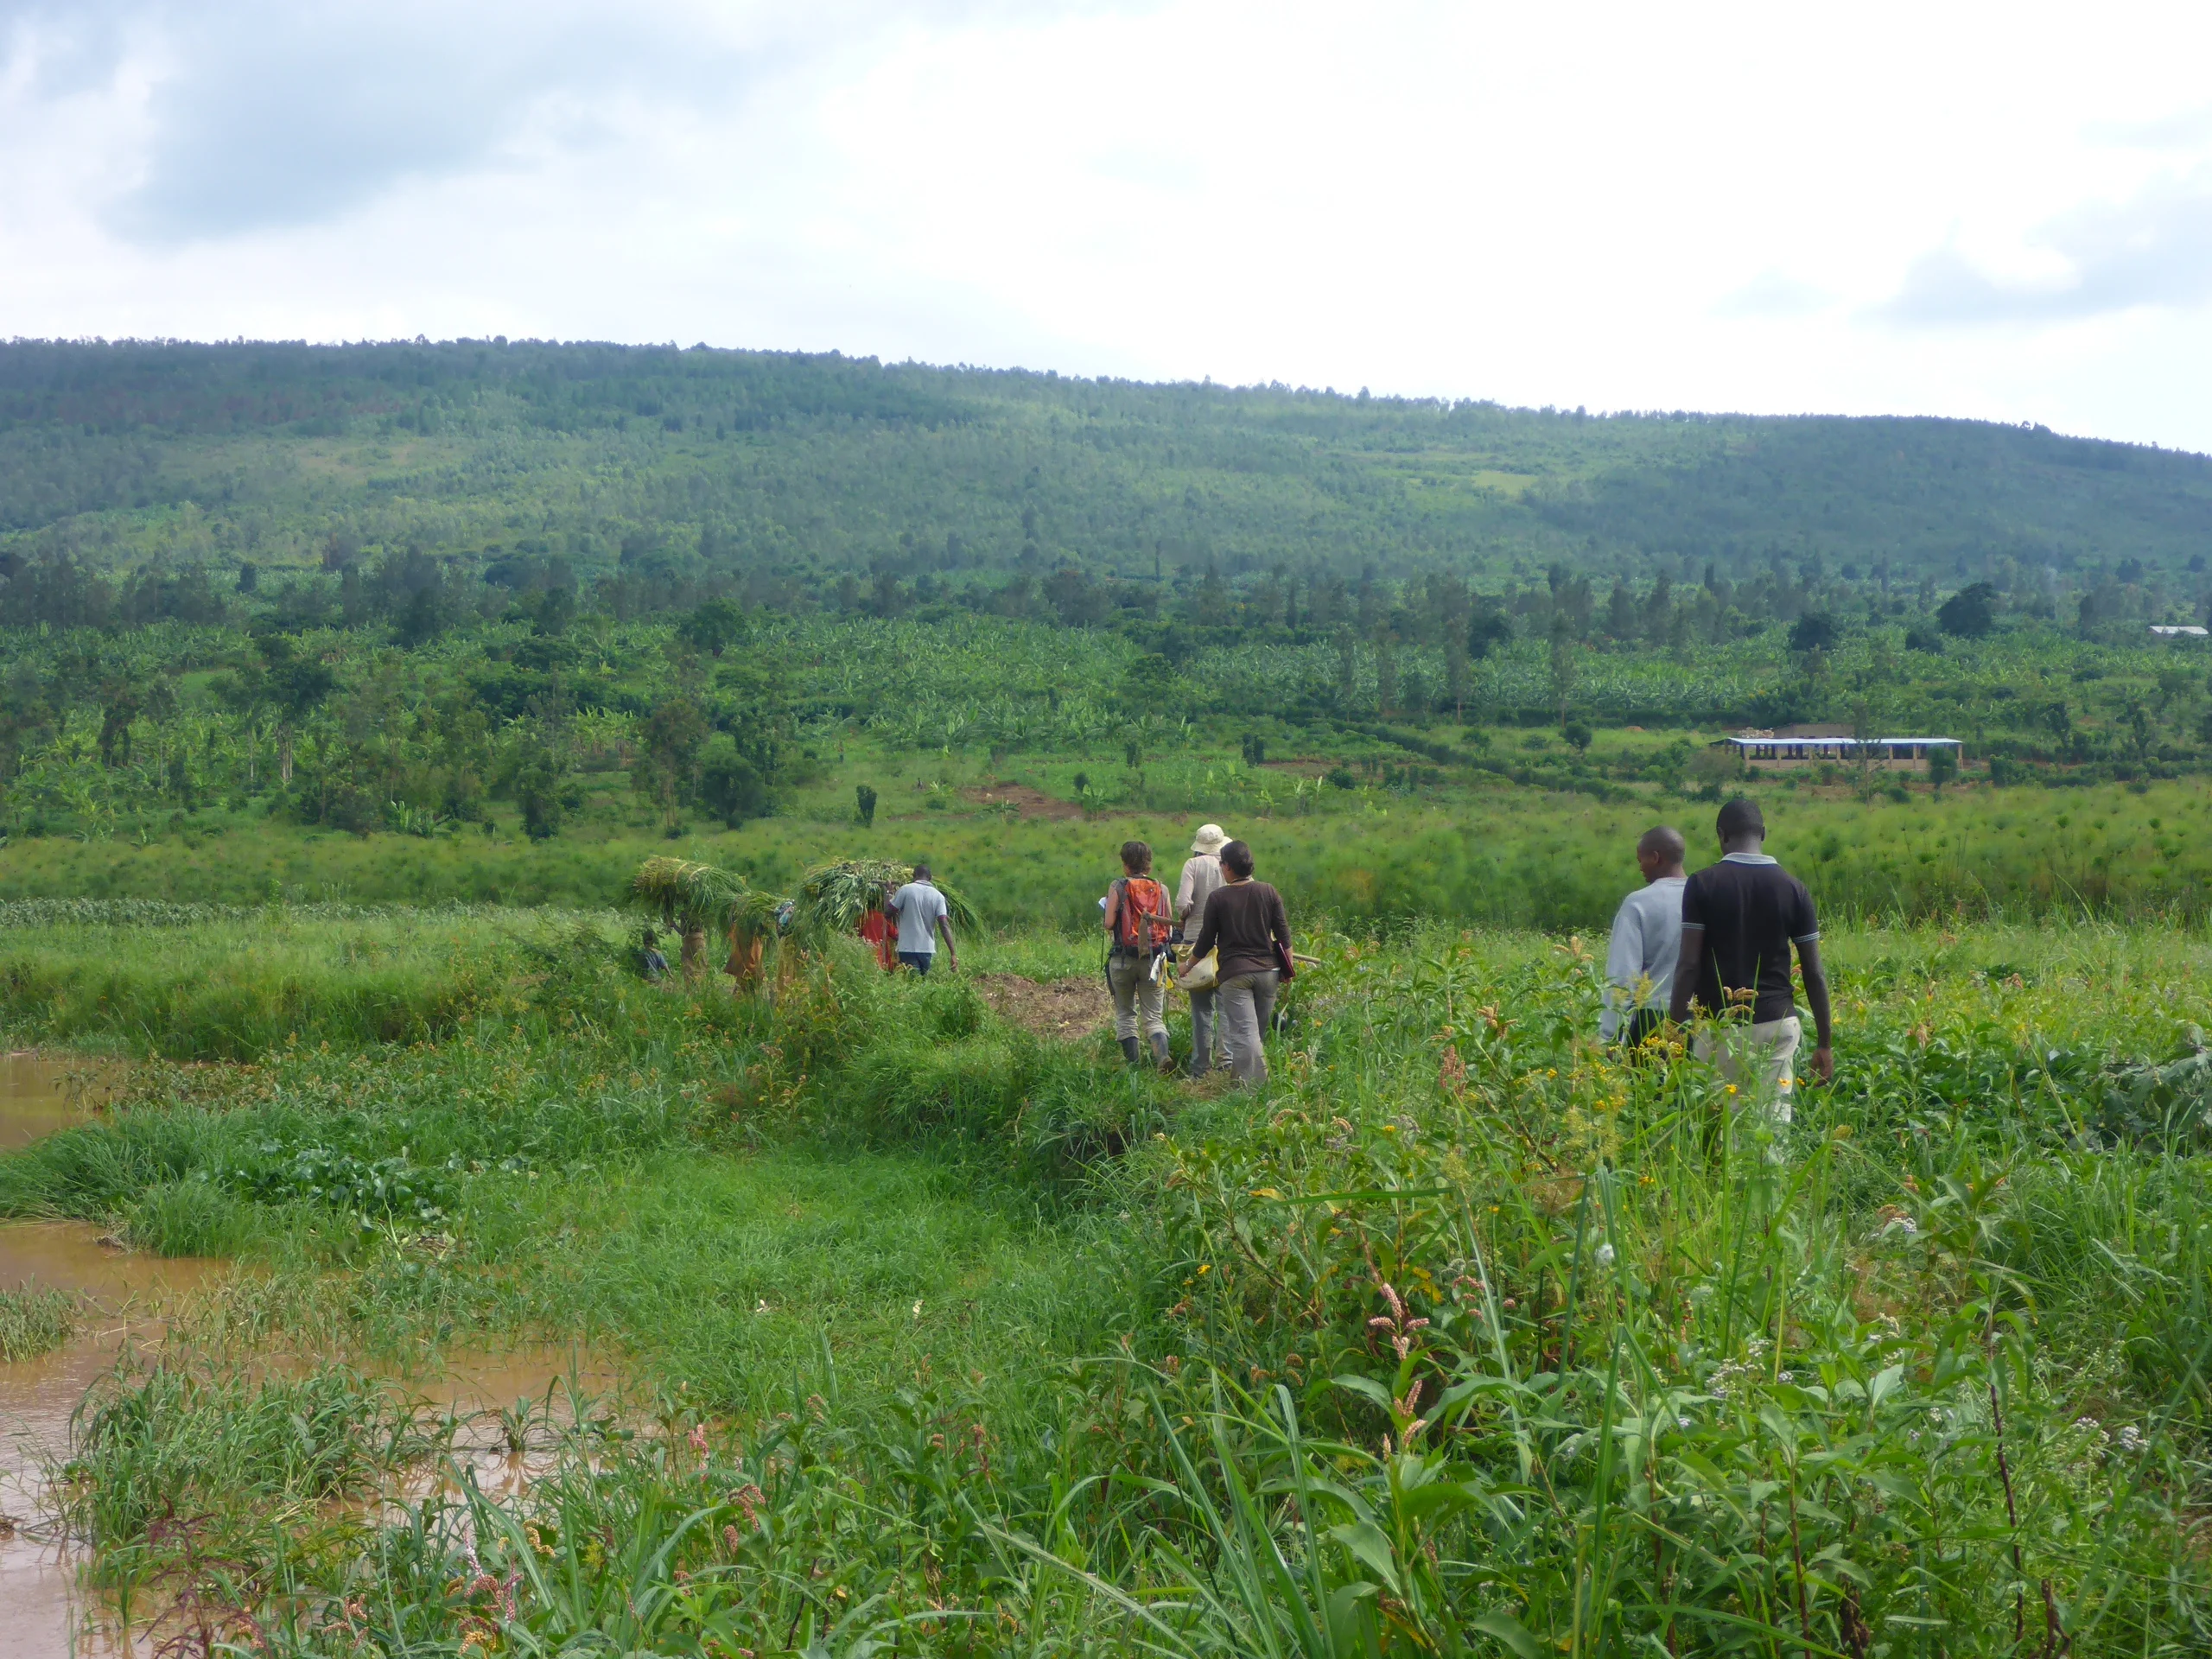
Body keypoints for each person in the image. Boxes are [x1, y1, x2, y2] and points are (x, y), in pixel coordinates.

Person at [1665, 798, 1834, 1126]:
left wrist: (1673, 1028)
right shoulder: (1795, 889)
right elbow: (1814, 972)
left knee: (1717, 1122)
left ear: (1721, 835)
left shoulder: (1702, 884)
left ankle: (1720, 1179)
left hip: (1718, 1025)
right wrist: (1825, 1044)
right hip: (1777, 1022)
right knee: (1771, 1122)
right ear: (1764, 834)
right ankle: (1771, 1176)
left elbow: (1688, 965)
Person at [1186, 838, 1292, 1086]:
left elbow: (1204, 942)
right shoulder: (1268, 891)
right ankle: (1238, 1083)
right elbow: (1285, 937)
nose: (1221, 868)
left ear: (1229, 867)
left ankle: (1256, 1089)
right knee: (1254, 1036)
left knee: (1245, 1035)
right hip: (1269, 973)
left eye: (1222, 864)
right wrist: (1288, 969)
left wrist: (1187, 966)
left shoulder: (1218, 898)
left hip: (1236, 976)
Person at [1600, 826, 1688, 1047]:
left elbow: (1623, 975)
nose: (1640, 868)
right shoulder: (1706, 895)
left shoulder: (1638, 903)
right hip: (1701, 1019)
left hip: (1653, 1019)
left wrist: (1609, 1035)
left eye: (1641, 860)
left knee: (1648, 1081)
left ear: (1656, 858)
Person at [1104, 840, 1175, 1070]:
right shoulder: (1161, 888)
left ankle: (1134, 1068)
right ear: (1149, 864)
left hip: (1123, 960)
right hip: (1153, 961)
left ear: (1125, 865)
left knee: (1125, 1015)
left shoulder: (1118, 886)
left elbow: (1108, 923)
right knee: (1154, 1016)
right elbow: (1170, 928)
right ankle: (1162, 1057)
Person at [1174, 823, 1231, 1076]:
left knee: (1201, 1008)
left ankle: (1200, 1067)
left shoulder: (1192, 865)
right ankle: (1226, 1062)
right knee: (1226, 1005)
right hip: (1226, 944)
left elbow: (1183, 903)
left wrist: (1188, 914)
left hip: (1196, 943)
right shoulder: (1229, 866)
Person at [887, 861, 957, 976]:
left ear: (913, 876)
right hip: (927, 949)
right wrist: (953, 954)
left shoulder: (905, 890)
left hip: (908, 948)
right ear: (930, 878)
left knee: (912, 984)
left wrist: (889, 893)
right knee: (924, 985)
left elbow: (888, 913)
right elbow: (944, 924)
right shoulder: (938, 896)